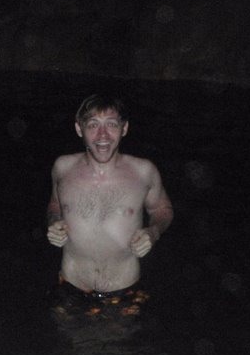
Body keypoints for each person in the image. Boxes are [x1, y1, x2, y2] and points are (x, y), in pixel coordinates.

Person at [46, 94, 173, 318]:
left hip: (124, 291)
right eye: (93, 125)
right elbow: (54, 206)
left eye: (111, 125)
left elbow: (162, 210)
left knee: (118, 341)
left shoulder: (144, 172)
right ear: (79, 129)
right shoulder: (63, 168)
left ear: (124, 128)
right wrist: (54, 222)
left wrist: (153, 232)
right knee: (68, 340)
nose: (102, 135)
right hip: (71, 286)